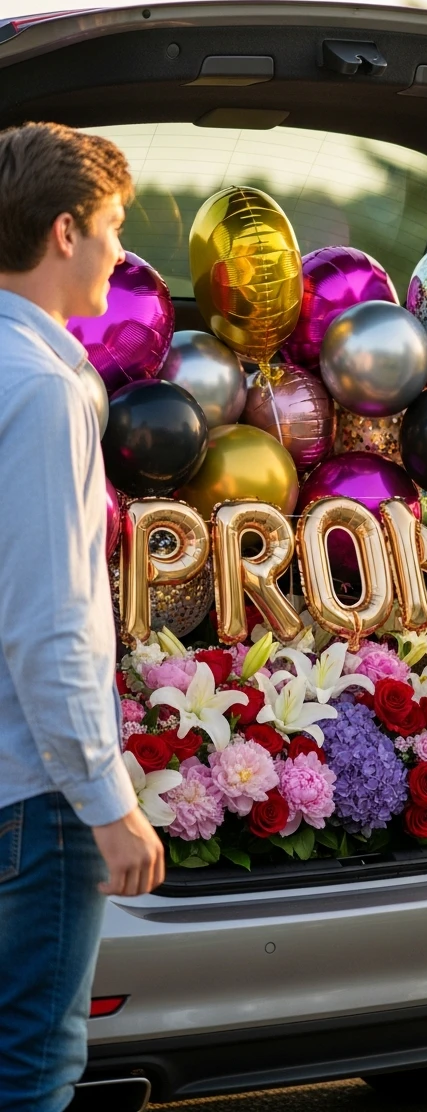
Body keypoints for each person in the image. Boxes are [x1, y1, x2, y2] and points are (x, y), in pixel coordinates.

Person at [0, 123, 166, 1112]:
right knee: (32, 1069)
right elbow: (49, 624)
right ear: (63, 231)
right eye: (110, 226)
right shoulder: (43, 390)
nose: (119, 250)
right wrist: (110, 804)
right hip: (31, 790)